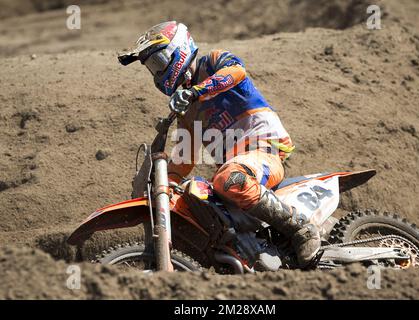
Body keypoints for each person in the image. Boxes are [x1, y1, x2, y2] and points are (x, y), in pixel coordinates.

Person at [118, 21, 320, 268]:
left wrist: (196, 91)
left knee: (228, 178)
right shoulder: (186, 111)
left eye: (158, 63)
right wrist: (164, 184)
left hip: (265, 150)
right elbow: (184, 158)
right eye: (152, 68)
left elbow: (237, 72)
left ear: (178, 50)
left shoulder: (213, 62)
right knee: (191, 201)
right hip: (238, 165)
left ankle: (302, 228)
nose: (157, 73)